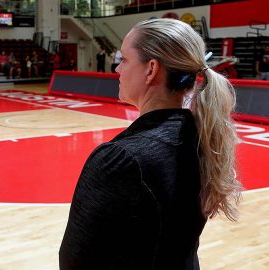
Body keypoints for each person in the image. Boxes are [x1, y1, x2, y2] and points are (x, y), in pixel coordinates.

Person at [59, 18, 241, 269]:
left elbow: (76, 261)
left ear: (151, 69)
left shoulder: (121, 159)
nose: (117, 69)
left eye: (123, 60)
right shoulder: (204, 138)